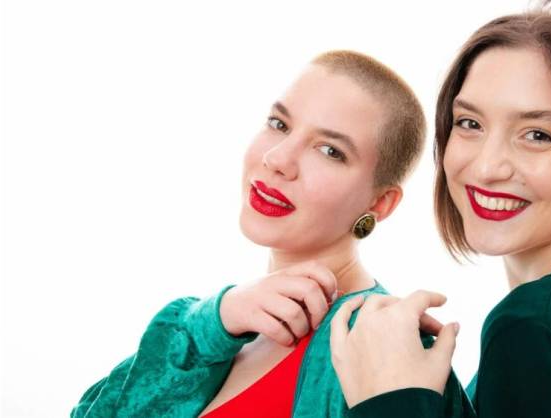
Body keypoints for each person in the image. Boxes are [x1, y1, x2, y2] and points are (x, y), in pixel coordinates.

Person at [71, 50, 471, 418]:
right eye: (279, 124)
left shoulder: (388, 350)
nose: (277, 159)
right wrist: (212, 324)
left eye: (330, 150)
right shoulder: (224, 328)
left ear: (380, 203)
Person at [330, 1, 551, 417]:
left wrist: (390, 399)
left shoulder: (536, 327)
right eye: (470, 123)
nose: (487, 168)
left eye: (537, 135)